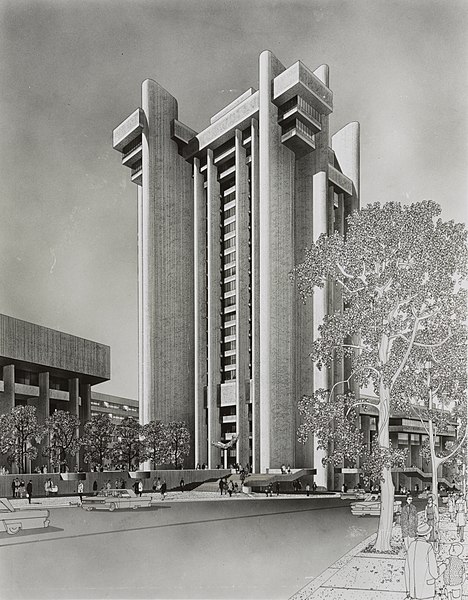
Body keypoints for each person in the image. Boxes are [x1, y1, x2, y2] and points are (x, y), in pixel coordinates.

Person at [404, 522, 438, 600]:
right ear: (426, 535)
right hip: (426, 588)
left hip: (413, 589)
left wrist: (408, 590)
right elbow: (434, 572)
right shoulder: (428, 547)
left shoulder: (411, 545)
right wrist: (444, 565)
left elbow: (407, 569)